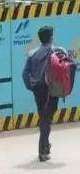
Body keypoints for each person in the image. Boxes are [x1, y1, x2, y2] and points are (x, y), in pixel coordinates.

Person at [22, 26, 65, 162]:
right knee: (46, 119)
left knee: (43, 116)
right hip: (52, 89)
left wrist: (31, 86)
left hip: (38, 90)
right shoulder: (58, 51)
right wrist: (63, 90)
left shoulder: (32, 54)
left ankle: (45, 145)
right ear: (51, 37)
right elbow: (67, 68)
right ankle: (42, 150)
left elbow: (25, 73)